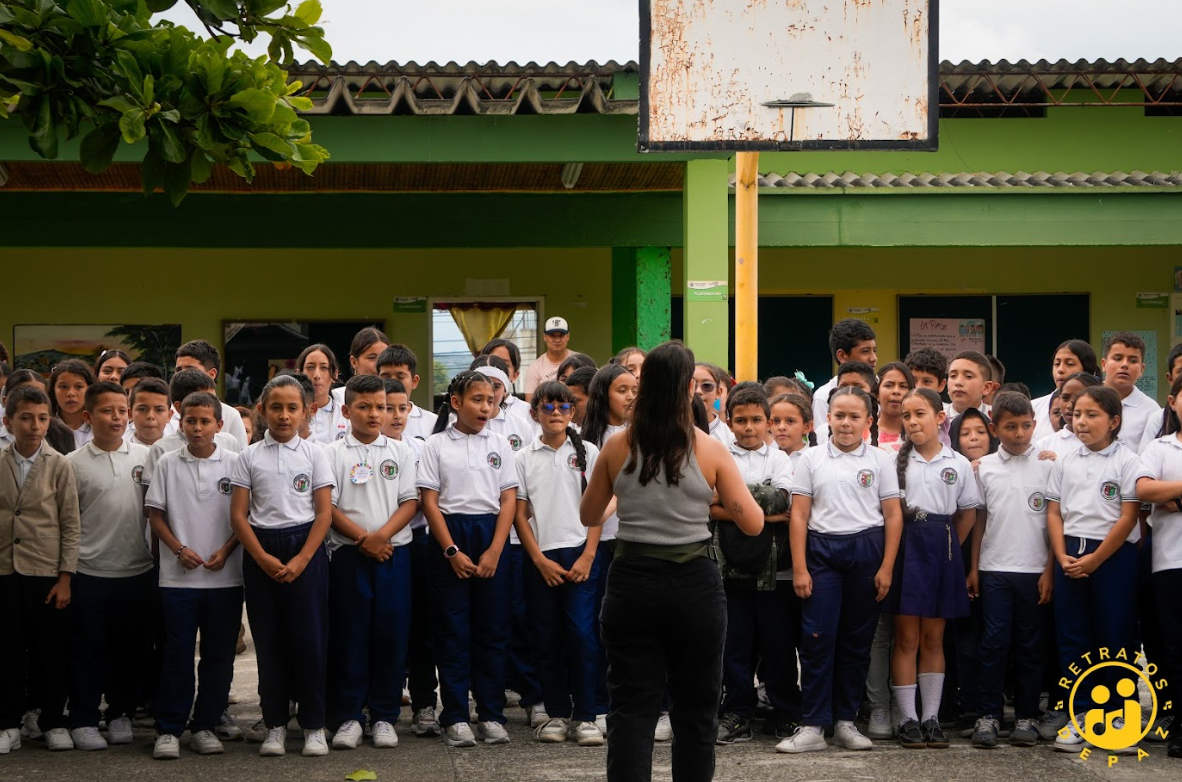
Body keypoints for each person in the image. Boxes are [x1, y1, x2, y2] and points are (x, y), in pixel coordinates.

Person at [579, 341, 762, 782]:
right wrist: (715, 497)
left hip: (631, 581)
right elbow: (753, 523)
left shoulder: (617, 446)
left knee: (631, 707)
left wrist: (627, 497)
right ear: (686, 391)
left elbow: (587, 515)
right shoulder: (711, 450)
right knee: (696, 709)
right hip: (694, 585)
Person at [777, 386, 902, 754]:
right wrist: (800, 568)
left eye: (854, 416)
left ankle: (846, 722)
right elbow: (798, 514)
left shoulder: (880, 460)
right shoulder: (811, 459)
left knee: (856, 642)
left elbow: (893, 515)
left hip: (867, 550)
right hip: (822, 553)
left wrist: (887, 568)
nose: (846, 423)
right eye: (839, 415)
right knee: (817, 638)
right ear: (827, 418)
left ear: (869, 421)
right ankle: (814, 725)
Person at [230, 375, 335, 758]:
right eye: (276, 407)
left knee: (309, 641)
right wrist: (260, 557)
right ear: (261, 411)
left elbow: (323, 514)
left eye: (293, 408)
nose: (284, 415)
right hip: (262, 551)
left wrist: (303, 559)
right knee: (269, 642)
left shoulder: (315, 455)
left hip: (304, 549)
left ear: (306, 411)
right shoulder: (248, 457)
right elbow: (239, 516)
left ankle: (312, 725)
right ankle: (274, 723)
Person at [417, 371, 518, 748]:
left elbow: (509, 498)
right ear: (456, 402)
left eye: (491, 401)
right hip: (451, 537)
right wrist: (451, 551)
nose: (485, 407)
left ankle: (491, 713)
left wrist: (495, 548)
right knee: (452, 630)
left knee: (493, 631)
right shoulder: (436, 445)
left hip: (491, 535)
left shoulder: (501, 444)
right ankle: (456, 715)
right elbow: (430, 501)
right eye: (477, 399)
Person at [145, 392, 243, 761]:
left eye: (205, 421)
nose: (198, 427)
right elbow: (155, 515)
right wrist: (178, 549)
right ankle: (169, 728)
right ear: (180, 422)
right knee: (177, 655)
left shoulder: (237, 462)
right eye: (190, 421)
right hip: (177, 580)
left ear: (219, 425)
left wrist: (227, 549)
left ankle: (204, 725)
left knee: (219, 656)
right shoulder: (168, 463)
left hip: (226, 579)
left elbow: (245, 517)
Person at [325, 375, 419, 750]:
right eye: (364, 407)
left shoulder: (401, 452)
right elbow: (327, 507)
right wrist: (364, 539)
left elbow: (410, 502)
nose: (375, 413)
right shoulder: (331, 453)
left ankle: (384, 716)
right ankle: (349, 716)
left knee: (390, 638)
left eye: (380, 406)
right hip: (349, 556)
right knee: (350, 636)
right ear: (347, 412)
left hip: (394, 555)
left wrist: (382, 537)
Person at [1046, 386, 1141, 754]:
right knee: (1073, 637)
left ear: (1114, 421)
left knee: (1115, 636)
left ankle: (1119, 716)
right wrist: (1061, 555)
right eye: (1077, 414)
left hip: (1112, 557)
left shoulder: (1128, 461)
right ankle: (1082, 714)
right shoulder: (1065, 460)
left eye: (1092, 415)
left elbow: (1128, 515)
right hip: (1070, 553)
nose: (1081, 421)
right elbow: (1054, 512)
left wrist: (1097, 559)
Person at [887, 388, 979, 750]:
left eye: (920, 414)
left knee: (933, 638)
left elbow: (968, 513)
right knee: (906, 637)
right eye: (906, 416)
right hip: (906, 546)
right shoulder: (893, 461)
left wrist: (949, 546)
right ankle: (907, 718)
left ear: (940, 418)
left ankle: (931, 718)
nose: (912, 421)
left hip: (942, 548)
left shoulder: (956, 464)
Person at [66, 381, 154, 751]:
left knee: (129, 650)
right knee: (88, 650)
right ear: (88, 417)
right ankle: (84, 718)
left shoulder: (147, 457)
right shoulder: (71, 465)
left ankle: (120, 714)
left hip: (137, 570)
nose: (116, 417)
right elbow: (67, 523)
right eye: (107, 411)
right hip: (89, 572)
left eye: (122, 411)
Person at [515, 381, 604, 746]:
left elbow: (597, 509)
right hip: (542, 557)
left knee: (583, 636)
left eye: (563, 407)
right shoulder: (523, 457)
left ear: (573, 412)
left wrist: (588, 554)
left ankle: (586, 715)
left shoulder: (590, 452)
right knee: (547, 636)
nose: (555, 414)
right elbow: (520, 515)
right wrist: (538, 558)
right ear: (534, 412)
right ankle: (555, 713)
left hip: (580, 553)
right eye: (547, 407)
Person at [713, 386, 797, 744]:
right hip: (729, 571)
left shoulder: (779, 459)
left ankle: (785, 712)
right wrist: (764, 507)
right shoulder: (718, 454)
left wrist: (731, 499)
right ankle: (738, 712)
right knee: (735, 645)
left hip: (774, 570)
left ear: (768, 423)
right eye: (741, 420)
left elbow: (785, 501)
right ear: (728, 422)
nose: (749, 428)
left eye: (756, 420)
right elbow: (708, 504)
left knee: (778, 644)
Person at [970, 392, 1053, 749]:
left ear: (1034, 425)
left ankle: (1028, 716)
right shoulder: (983, 468)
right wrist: (973, 567)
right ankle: (988, 715)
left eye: (1025, 426)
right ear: (994, 428)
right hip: (994, 569)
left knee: (1031, 646)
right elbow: (979, 520)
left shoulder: (1050, 465)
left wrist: (1050, 569)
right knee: (993, 644)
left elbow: (1055, 521)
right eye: (1010, 427)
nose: (1019, 434)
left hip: (1035, 569)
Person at [0, 384, 79, 754]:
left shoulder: (60, 464)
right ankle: (9, 722)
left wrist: (65, 577)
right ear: (8, 421)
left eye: (42, 418)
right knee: (8, 650)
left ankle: (52, 720)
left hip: (45, 571)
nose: (35, 426)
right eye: (26, 418)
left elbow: (71, 523)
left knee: (50, 649)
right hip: (4, 571)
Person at [1135, 374, 1182, 759]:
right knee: (1173, 646)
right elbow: (1144, 489)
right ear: (1172, 401)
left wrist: (1174, 490)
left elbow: (1160, 490)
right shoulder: (1159, 448)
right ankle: (1178, 722)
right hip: (1170, 562)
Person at [813, 320, 878, 446]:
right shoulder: (823, 396)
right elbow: (822, 440)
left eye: (874, 350)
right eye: (865, 351)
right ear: (842, 356)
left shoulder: (880, 388)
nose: (873, 358)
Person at [173, 340, 249, 448]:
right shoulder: (167, 413)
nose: (184, 374)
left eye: (191, 369)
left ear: (211, 374)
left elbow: (240, 459)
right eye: (178, 370)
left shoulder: (230, 416)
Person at [1098, 332, 1161, 453]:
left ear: (1142, 369)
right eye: (1117, 358)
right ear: (1104, 364)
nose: (1124, 365)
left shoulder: (1151, 411)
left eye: (1133, 360)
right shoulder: (1086, 399)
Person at [1031, 340, 1100, 441]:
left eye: (1070, 364)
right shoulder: (1033, 408)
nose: (1060, 369)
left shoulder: (1103, 408)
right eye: (1057, 364)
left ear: (1087, 370)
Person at [376, 344, 438, 441]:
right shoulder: (367, 422)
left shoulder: (433, 423)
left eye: (400, 377)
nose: (393, 382)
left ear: (414, 381)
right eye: (386, 377)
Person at [297, 344, 346, 445]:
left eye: (324, 368)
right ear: (299, 373)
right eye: (310, 367)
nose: (316, 375)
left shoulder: (346, 414)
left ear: (335, 374)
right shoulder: (291, 413)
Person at [330, 327, 390, 408]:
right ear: (354, 362)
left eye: (384, 357)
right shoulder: (336, 399)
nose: (379, 364)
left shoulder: (396, 400)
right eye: (372, 358)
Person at [524, 318, 574, 401]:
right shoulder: (535, 367)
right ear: (544, 337)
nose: (557, 340)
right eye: (552, 335)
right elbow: (529, 404)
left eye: (561, 335)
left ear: (568, 337)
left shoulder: (579, 361)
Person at [49, 359, 95, 449]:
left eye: (78, 387)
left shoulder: (99, 428)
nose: (70, 393)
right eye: (63, 387)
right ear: (53, 390)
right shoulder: (45, 428)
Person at [874, 362, 914, 453]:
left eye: (903, 386)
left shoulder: (919, 434)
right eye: (889, 385)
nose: (896, 391)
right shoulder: (861, 433)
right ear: (877, 394)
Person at [693, 363, 734, 447]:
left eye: (707, 386)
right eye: (693, 385)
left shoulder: (729, 438)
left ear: (718, 393)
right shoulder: (669, 430)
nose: (698, 391)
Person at [126, 377, 172, 448]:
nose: (150, 416)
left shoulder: (180, 449)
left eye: (159, 410)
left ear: (169, 415)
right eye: (142, 409)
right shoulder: (115, 448)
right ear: (130, 414)